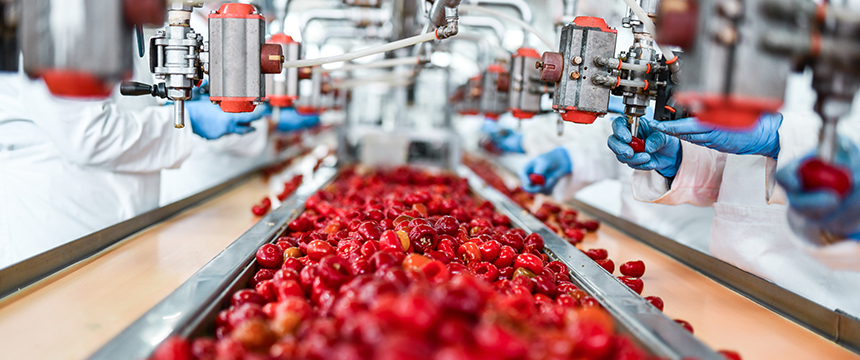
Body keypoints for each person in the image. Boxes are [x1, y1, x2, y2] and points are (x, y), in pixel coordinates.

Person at [606, 106, 860, 317]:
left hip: (820, 304)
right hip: (728, 284)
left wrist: (785, 139)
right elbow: (741, 169)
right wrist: (682, 159)